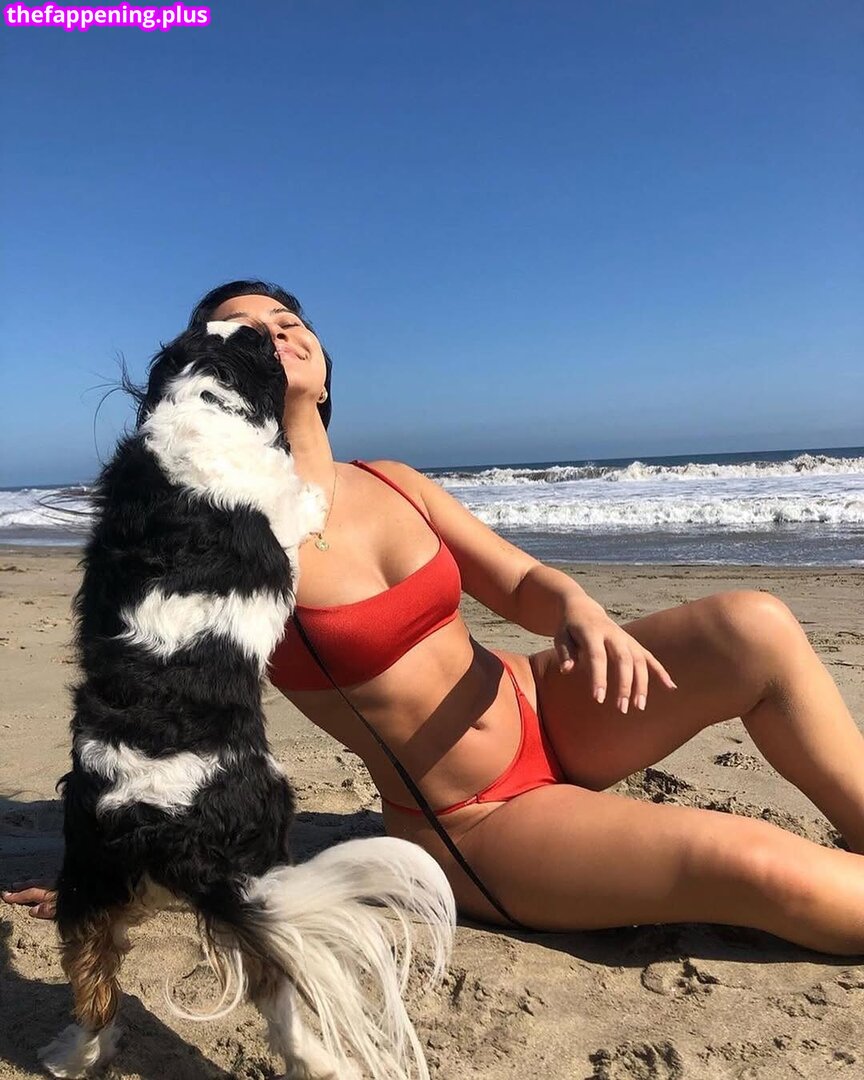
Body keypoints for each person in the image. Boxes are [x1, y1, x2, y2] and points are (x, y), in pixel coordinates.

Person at [6, 280, 864, 955]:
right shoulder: (226, 540)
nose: (277, 332)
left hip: (546, 705)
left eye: (290, 320)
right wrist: (103, 869)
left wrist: (578, 608)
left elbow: (518, 581)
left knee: (755, 623)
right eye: (245, 329)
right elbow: (149, 707)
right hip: (479, 818)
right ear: (211, 370)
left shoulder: (393, 480)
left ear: (325, 367)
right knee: (762, 867)